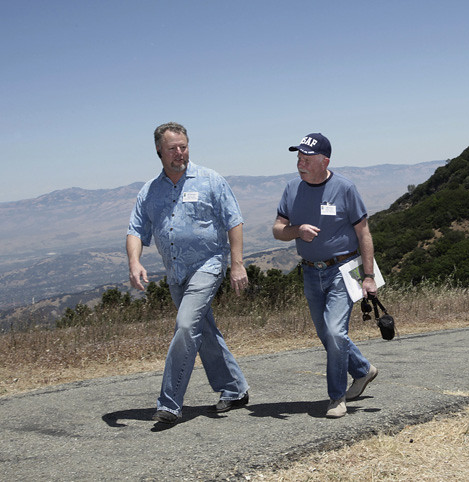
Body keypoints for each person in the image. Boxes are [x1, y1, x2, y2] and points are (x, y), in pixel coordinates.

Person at [127, 122, 250, 424]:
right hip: (176, 274)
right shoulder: (150, 191)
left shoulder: (210, 180)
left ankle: (169, 402)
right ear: (159, 150)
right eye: (172, 148)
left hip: (208, 266)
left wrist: (236, 264)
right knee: (203, 331)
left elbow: (234, 221)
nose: (179, 152)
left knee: (185, 326)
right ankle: (234, 388)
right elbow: (134, 230)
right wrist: (134, 262)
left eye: (183, 146)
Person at [273, 132, 379, 419]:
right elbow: (277, 230)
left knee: (334, 331)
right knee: (326, 333)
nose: (300, 163)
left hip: (343, 270)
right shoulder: (292, 188)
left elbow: (363, 232)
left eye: (306, 159)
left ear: (324, 161)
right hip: (310, 272)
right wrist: (298, 231)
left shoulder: (345, 188)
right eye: (298, 158)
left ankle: (336, 397)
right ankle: (362, 369)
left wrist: (368, 276)